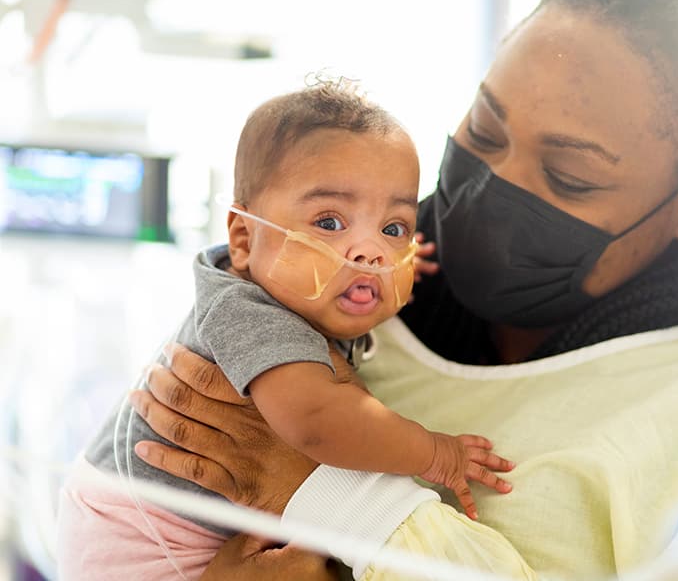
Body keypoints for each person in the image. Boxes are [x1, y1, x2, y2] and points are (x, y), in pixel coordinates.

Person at [124, 0, 678, 579]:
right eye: (484, 130)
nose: (492, 192)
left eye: (569, 178)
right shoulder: (332, 282)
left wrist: (337, 494)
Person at [55, 81, 514, 580]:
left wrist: (399, 263)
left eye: (393, 228)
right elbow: (319, 420)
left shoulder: (293, 292)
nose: (370, 253)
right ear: (244, 239)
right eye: (330, 222)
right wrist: (433, 452)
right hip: (138, 549)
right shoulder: (246, 310)